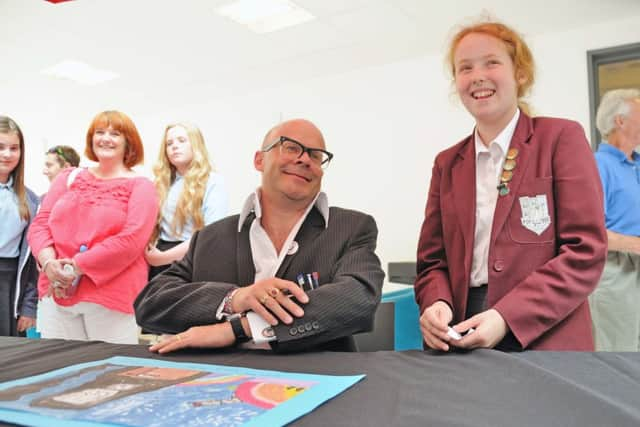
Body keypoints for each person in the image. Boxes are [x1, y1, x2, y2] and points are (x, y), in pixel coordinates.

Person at [414, 20, 607, 352]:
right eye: (465, 68)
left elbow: (584, 251)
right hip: (463, 330)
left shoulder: (560, 139)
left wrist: (506, 315)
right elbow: (433, 262)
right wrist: (437, 302)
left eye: (491, 62)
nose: (477, 76)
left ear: (519, 73)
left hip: (546, 330)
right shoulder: (447, 164)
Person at [135, 118, 384, 354]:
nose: (305, 159)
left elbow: (357, 299)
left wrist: (240, 328)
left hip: (318, 382)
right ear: (259, 160)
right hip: (220, 385)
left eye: (316, 155)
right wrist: (235, 298)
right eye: (291, 147)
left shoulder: (351, 228)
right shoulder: (211, 237)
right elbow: (151, 302)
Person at [27, 110, 159, 344]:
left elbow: (132, 241)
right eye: (99, 132)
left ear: (129, 143)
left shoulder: (142, 186)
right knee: (59, 370)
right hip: (56, 292)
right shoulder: (68, 177)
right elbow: (40, 224)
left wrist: (77, 266)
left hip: (110, 297)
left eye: (115, 133)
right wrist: (49, 263)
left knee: (109, 374)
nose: (105, 138)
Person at [589, 88, 640, 351]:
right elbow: (592, 233)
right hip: (616, 271)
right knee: (621, 353)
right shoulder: (597, 165)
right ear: (620, 121)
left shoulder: (637, 164)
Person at [145, 123, 228, 279]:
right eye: (169, 143)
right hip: (160, 259)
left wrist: (162, 258)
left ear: (195, 144)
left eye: (182, 140)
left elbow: (211, 234)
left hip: (193, 259)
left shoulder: (213, 182)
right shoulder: (161, 183)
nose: (174, 146)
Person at [0, 115, 39, 337]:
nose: (7, 154)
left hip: (11, 284)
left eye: (14, 148)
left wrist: (29, 306)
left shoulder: (30, 200)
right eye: (0, 147)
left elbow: (31, 264)